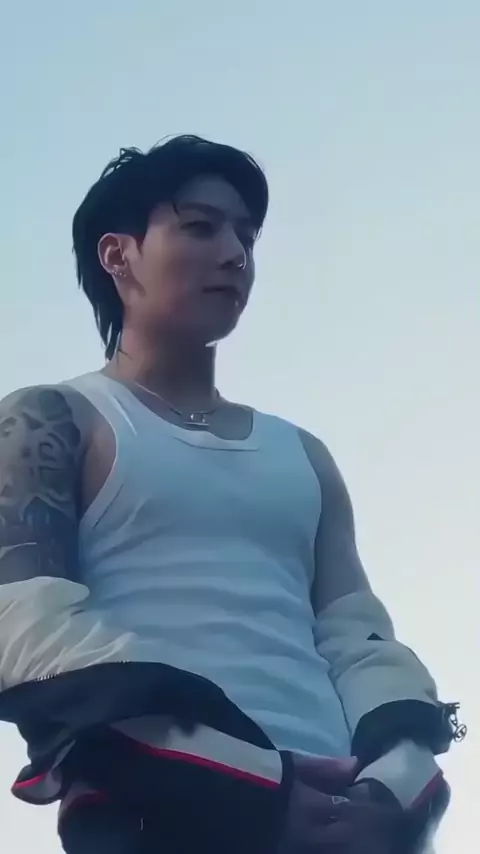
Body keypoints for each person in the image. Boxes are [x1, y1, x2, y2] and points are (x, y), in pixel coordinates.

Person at [0, 136, 464, 854]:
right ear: (118, 255)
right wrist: (252, 784)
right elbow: (24, 624)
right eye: (200, 227)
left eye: (246, 236)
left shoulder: (301, 452)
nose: (235, 254)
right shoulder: (53, 419)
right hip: (156, 813)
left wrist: (400, 781)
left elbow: (356, 635)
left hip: (344, 821)